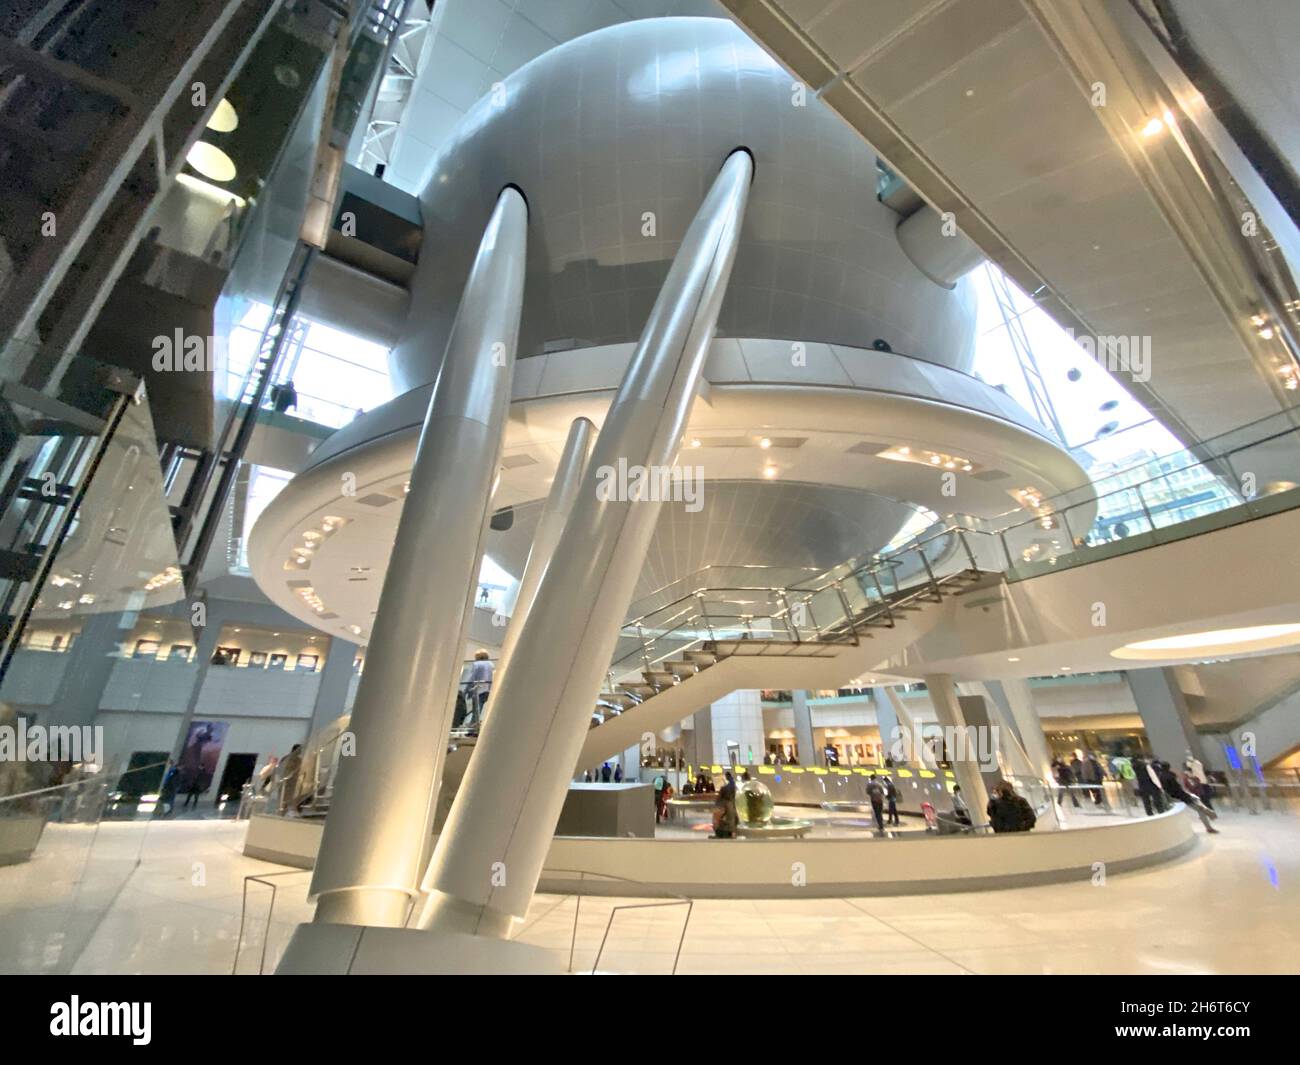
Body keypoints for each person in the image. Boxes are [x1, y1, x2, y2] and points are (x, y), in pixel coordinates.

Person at [1155, 760, 1219, 834]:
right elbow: (1177, 788)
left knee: (1197, 804)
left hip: (1175, 797)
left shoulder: (1161, 777)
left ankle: (1208, 814)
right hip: (1181, 796)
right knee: (1199, 808)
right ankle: (1209, 824)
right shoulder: (1171, 776)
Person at [466, 650, 494, 725]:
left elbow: (472, 678)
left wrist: (466, 690)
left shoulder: (476, 664)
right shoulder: (491, 664)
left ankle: (472, 727)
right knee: (479, 710)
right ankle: (473, 726)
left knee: (476, 710)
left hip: (477, 689)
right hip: (487, 690)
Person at [712, 772, 738, 838]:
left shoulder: (721, 803)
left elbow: (717, 817)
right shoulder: (731, 804)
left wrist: (715, 826)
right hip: (730, 830)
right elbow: (736, 818)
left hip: (723, 830)